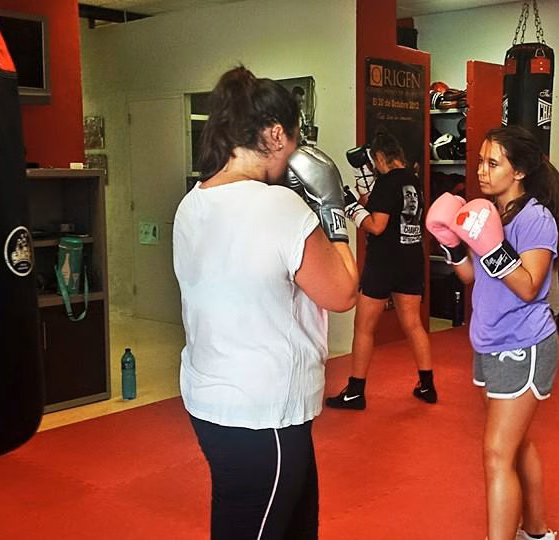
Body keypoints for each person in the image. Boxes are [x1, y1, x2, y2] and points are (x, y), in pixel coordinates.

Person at [172, 66, 358, 538]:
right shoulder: (279, 209)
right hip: (264, 415)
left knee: (292, 525)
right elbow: (342, 291)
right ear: (276, 134)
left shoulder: (192, 203)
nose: (295, 152)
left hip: (213, 401)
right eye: (294, 139)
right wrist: (333, 208)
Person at [426, 125, 559, 540]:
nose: (482, 171)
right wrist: (451, 244)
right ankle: (537, 532)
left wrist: (492, 246)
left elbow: (528, 284)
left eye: (492, 162)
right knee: (516, 444)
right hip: (490, 340)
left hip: (524, 344)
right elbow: (472, 276)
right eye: (480, 161)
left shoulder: (535, 218)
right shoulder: (488, 215)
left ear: (519, 170)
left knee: (495, 453)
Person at [325, 129, 433, 410]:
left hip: (384, 262)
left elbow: (376, 224)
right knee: (413, 323)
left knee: (364, 327)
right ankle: (427, 384)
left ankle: (355, 391)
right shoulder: (413, 181)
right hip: (410, 258)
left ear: (382, 157)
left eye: (374, 162)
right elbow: (376, 205)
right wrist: (361, 190)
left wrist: (348, 208)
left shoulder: (387, 183)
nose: (374, 167)